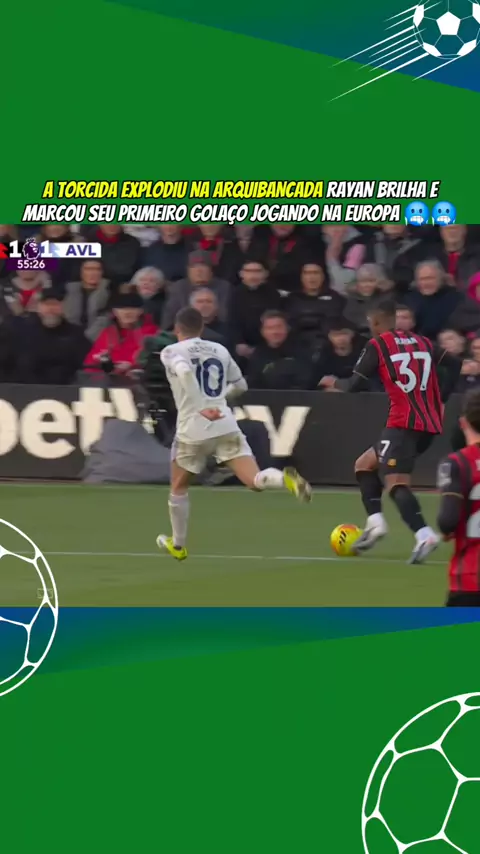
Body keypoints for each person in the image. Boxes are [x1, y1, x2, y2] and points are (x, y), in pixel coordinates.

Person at [156, 306, 311, 561]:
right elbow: (241, 385)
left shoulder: (172, 351)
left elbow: (184, 371)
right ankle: (283, 479)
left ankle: (178, 544)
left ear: (177, 329)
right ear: (202, 328)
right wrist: (217, 400)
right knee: (254, 480)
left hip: (193, 428)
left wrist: (202, 406)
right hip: (225, 423)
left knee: (179, 487)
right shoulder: (219, 350)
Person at [320, 298, 462, 563]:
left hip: (402, 423)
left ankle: (424, 534)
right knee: (364, 465)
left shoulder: (377, 345)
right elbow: (455, 364)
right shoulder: (422, 342)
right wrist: (441, 399)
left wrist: (334, 382)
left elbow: (355, 385)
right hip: (429, 424)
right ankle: (376, 523)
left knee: (396, 483)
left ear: (375, 322)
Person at [437, 389, 480, 606]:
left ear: (463, 422)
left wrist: (448, 530)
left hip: (470, 579)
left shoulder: (457, 463)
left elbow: (448, 521)